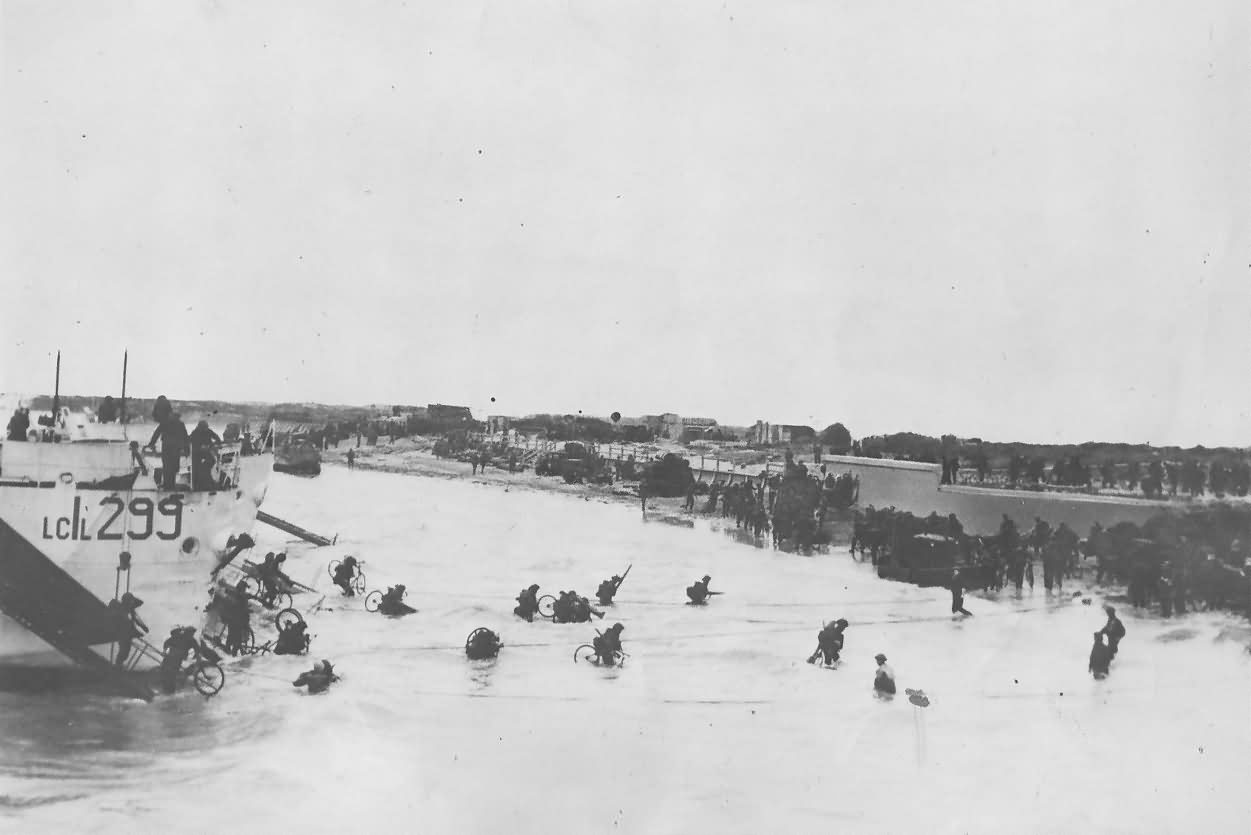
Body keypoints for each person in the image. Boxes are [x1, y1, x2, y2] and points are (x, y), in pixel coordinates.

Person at [146, 411, 189, 489]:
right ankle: (171, 484)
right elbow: (185, 437)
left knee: (167, 465)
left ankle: (167, 484)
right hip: (176, 447)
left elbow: (157, 433)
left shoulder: (165, 423)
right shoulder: (180, 424)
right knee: (173, 466)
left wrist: (152, 443)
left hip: (167, 446)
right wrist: (186, 449)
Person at [108, 592, 148, 668]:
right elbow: (126, 621)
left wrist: (143, 627)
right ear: (126, 601)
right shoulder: (120, 609)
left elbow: (136, 618)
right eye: (130, 601)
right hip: (122, 633)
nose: (131, 603)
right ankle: (118, 666)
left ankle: (118, 665)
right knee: (123, 651)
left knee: (126, 652)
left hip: (127, 634)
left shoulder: (130, 610)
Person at [160, 626, 200, 694]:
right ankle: (167, 689)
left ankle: (169, 690)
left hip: (176, 658)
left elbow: (197, 649)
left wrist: (197, 656)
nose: (191, 634)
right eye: (191, 633)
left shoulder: (191, 640)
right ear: (187, 632)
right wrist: (164, 651)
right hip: (171, 657)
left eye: (192, 633)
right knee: (167, 672)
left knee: (171, 674)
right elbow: (167, 642)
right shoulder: (179, 636)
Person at [188, 419, 222, 490]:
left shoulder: (208, 431)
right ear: (200, 427)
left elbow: (217, 438)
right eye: (204, 427)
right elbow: (189, 441)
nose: (205, 429)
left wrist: (212, 445)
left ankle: (204, 476)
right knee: (195, 466)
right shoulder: (195, 432)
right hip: (197, 452)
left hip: (206, 451)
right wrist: (199, 446)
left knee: (211, 461)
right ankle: (197, 482)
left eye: (206, 427)